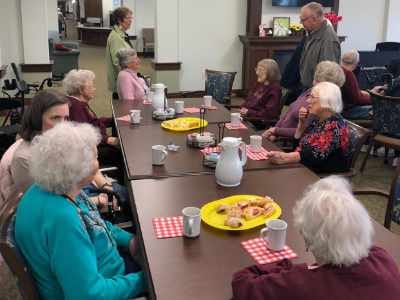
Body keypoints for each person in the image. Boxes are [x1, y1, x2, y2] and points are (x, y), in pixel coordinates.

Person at [15, 122, 145, 300]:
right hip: (108, 284)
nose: (97, 162)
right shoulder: (63, 219)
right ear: (77, 168)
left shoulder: (57, 186)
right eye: (94, 157)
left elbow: (95, 224)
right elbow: (88, 294)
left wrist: (129, 240)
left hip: (108, 267)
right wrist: (145, 279)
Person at [232, 175, 400, 300]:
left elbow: (242, 284)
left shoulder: (303, 283)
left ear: (308, 241)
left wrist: (285, 267)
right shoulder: (383, 258)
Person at [267, 82, 350, 173]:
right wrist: (301, 124)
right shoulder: (318, 119)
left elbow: (314, 156)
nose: (308, 101)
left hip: (323, 178)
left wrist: (285, 157)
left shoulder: (336, 125)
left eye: (312, 97)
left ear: (326, 101)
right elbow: (299, 146)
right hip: (305, 168)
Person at [63, 69, 124, 177]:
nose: (94, 89)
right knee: (121, 153)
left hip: (96, 143)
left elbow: (93, 122)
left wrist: (114, 119)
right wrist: (107, 140)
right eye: (91, 87)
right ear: (81, 90)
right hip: (90, 150)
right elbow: (83, 135)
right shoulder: (76, 107)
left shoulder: (78, 103)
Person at [263, 61, 345, 141]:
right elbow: (288, 113)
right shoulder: (310, 91)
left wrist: (276, 131)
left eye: (317, 78)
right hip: (278, 136)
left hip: (288, 142)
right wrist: (274, 131)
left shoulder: (321, 105)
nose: (313, 81)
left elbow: (305, 133)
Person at [299, 2, 340, 89]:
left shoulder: (328, 39)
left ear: (314, 19)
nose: (301, 23)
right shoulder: (312, 33)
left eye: (303, 20)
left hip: (318, 91)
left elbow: (328, 75)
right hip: (309, 89)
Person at [341, 49, 384, 119]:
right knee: (382, 109)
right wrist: (375, 97)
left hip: (342, 109)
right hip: (347, 112)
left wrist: (369, 92)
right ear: (356, 62)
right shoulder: (348, 74)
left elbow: (353, 94)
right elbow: (358, 100)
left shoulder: (339, 70)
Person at [240, 59, 282, 129]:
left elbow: (269, 114)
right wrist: (243, 108)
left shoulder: (275, 89)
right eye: (257, 69)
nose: (257, 73)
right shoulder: (259, 84)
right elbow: (248, 100)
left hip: (259, 122)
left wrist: (249, 112)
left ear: (270, 72)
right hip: (248, 118)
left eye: (260, 70)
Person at [106, 6, 134, 98]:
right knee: (122, 110)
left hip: (126, 78)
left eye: (131, 18)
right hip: (122, 82)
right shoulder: (115, 37)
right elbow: (117, 62)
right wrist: (127, 80)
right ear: (119, 20)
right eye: (128, 18)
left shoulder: (121, 34)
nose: (130, 20)